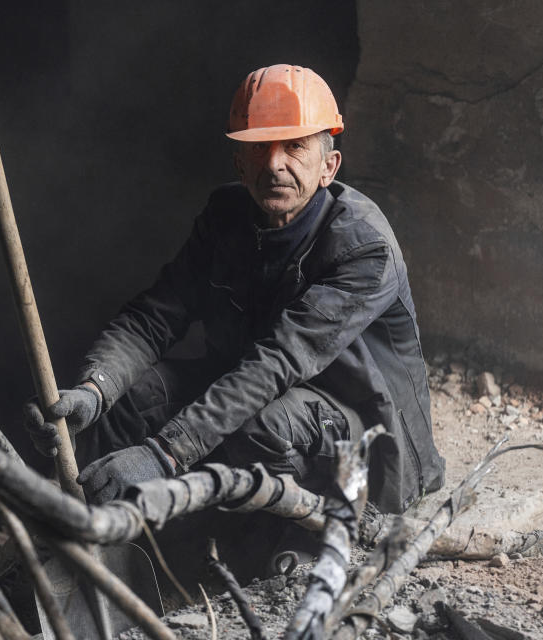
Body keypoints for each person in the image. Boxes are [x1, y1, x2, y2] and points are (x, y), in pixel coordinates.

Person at [25, 64, 445, 515]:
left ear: (329, 166)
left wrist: (164, 454)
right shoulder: (226, 216)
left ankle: (306, 536)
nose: (274, 163)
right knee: (133, 400)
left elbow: (276, 363)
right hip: (258, 397)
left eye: (295, 147)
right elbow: (154, 317)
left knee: (265, 427)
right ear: (238, 163)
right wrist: (95, 391)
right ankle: (81, 529)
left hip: (361, 439)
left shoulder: (364, 248)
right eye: (259, 146)